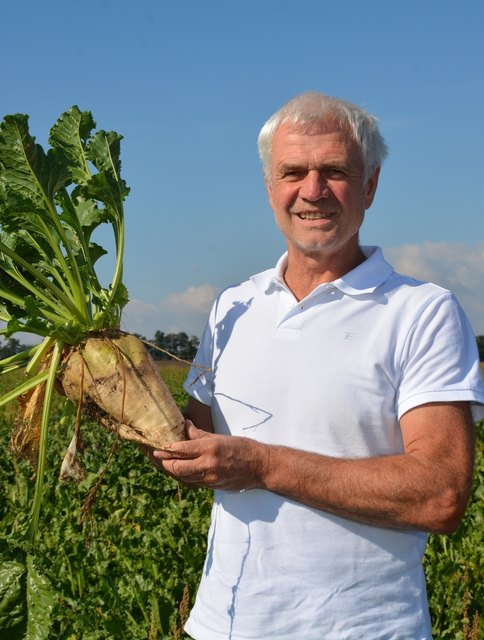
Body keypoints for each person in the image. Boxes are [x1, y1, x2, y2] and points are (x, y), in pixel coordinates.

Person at [148, 92, 484, 639]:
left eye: (334, 170)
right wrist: (110, 389)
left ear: (371, 185)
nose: (312, 190)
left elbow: (440, 493)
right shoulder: (233, 306)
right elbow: (193, 442)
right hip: (222, 625)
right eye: (292, 172)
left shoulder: (422, 311)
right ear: (268, 186)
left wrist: (262, 465)